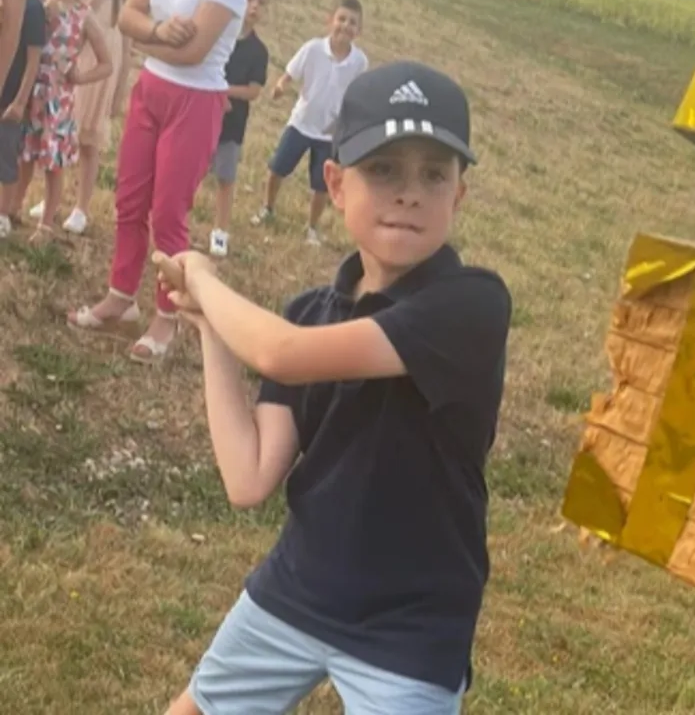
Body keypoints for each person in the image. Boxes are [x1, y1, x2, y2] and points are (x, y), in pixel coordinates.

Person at [156, 60, 512, 715]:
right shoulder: (309, 313)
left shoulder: (472, 305)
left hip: (411, 627)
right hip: (299, 588)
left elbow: (281, 355)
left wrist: (204, 278)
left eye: (434, 175)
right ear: (336, 183)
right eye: (384, 169)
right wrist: (208, 326)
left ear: (458, 195)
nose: (410, 193)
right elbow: (247, 479)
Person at [64, 0, 247, 364]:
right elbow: (128, 17)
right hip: (150, 88)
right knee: (129, 200)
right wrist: (158, 31)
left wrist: (142, 42)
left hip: (196, 100)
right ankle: (121, 296)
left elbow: (193, 53)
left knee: (167, 214)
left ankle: (168, 315)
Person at [248, 0, 367, 245]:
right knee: (277, 168)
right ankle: (267, 208)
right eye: (341, 19)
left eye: (352, 22)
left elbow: (358, 95)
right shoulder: (313, 49)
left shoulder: (359, 62)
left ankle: (312, 228)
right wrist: (281, 86)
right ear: (329, 21)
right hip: (301, 123)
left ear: (359, 30)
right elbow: (290, 72)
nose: (346, 26)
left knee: (321, 185)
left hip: (330, 133)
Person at [26, 0, 132, 234]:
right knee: (58, 136)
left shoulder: (114, 4)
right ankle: (50, 200)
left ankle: (81, 207)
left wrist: (119, 91)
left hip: (95, 60)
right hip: (71, 57)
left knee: (87, 139)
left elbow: (125, 45)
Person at [207, 0, 267, 257]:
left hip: (232, 124)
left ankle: (220, 231)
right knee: (190, 172)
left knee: (225, 178)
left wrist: (223, 92)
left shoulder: (259, 51)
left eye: (262, 2)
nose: (254, 6)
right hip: (204, 115)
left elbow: (253, 91)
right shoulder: (217, 34)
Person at [0, 0, 43, 238]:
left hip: (10, 96)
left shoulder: (34, 8)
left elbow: (33, 60)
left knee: (6, 155)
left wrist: (20, 101)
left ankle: (4, 214)